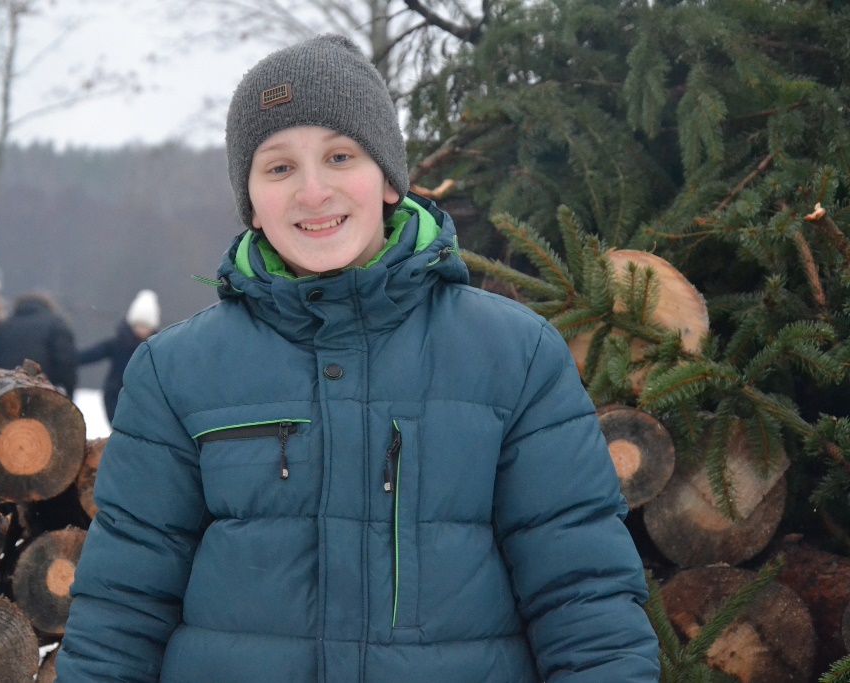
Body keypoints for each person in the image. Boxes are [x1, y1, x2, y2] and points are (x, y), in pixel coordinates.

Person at [58, 35, 660, 682]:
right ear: (251, 203)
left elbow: (585, 600)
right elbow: (120, 614)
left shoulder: (515, 357)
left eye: (340, 156)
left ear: (389, 179)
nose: (314, 191)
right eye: (279, 168)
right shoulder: (176, 372)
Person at [76, 289, 161, 423]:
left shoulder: (157, 350)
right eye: (138, 325)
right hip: (115, 396)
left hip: (142, 401)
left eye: (145, 326)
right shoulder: (118, 344)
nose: (141, 330)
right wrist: (68, 359)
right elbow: (92, 354)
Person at [0, 291, 77, 397]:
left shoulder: (5, 326)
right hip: (43, 391)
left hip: (6, 393)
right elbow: (66, 361)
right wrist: (69, 391)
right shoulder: (56, 324)